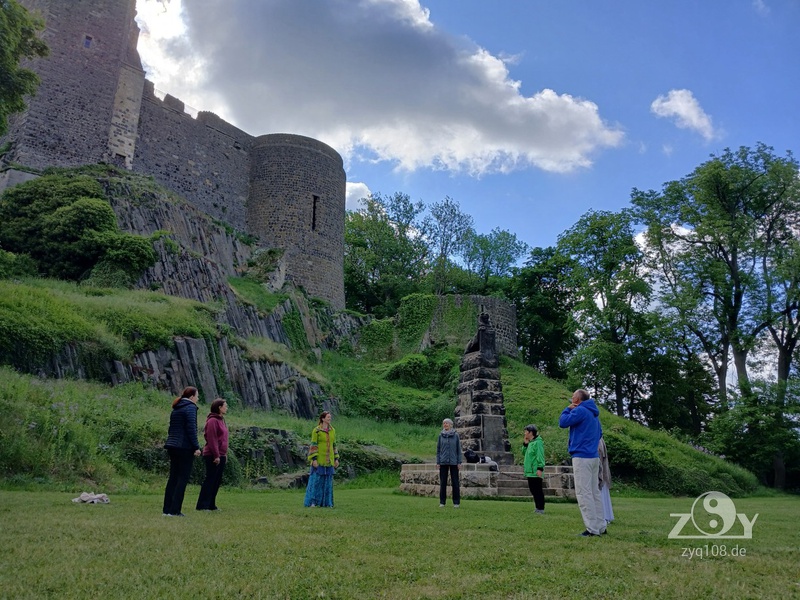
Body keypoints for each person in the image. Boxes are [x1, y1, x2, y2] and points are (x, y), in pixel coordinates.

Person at [558, 388, 605, 536]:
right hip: (593, 456)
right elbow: (600, 434)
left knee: (583, 493)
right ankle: (601, 525)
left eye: (573, 397)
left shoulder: (580, 411)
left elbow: (563, 422)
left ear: (578, 400)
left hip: (581, 456)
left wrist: (567, 409)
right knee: (594, 492)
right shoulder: (594, 414)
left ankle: (592, 529)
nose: (572, 399)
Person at [163, 386, 201, 516]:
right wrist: (196, 446)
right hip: (184, 447)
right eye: (197, 396)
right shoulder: (190, 408)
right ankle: (175, 510)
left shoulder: (177, 408)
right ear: (191, 397)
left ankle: (167, 509)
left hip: (172, 445)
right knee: (182, 479)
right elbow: (191, 428)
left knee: (173, 477)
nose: (198, 398)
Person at [196, 398, 229, 511]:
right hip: (212, 454)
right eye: (225, 405)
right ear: (219, 407)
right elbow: (212, 439)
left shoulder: (221, 420)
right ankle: (202, 505)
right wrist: (216, 455)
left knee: (216, 480)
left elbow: (223, 439)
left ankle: (211, 504)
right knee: (210, 479)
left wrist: (224, 454)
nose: (227, 407)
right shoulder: (212, 421)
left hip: (221, 454)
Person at [304, 411, 340, 507]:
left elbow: (334, 445)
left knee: (328, 482)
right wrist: (314, 458)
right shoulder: (316, 431)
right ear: (323, 419)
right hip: (319, 459)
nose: (329, 419)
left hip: (329, 460)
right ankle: (313, 502)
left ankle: (327, 503)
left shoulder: (333, 430)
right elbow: (313, 445)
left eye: (330, 417)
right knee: (316, 481)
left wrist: (336, 458)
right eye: (328, 417)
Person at [436, 418, 462, 508]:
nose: (445, 425)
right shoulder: (440, 436)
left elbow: (459, 450)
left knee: (455, 482)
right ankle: (442, 502)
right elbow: (438, 450)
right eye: (444, 423)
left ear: (451, 425)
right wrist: (438, 462)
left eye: (447, 423)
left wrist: (459, 462)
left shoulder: (456, 436)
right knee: (443, 482)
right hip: (443, 462)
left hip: (454, 462)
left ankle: (456, 502)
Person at [523, 424, 545, 514]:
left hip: (535, 470)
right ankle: (537, 507)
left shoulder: (538, 443)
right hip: (529, 471)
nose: (524, 433)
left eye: (526, 432)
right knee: (533, 490)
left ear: (531, 432)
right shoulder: (530, 443)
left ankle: (540, 508)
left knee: (538, 490)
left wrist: (540, 468)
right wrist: (525, 444)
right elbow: (524, 453)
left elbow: (540, 456)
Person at [598, 436, 615, 525]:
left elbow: (600, 455)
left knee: (601, 494)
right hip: (602, 471)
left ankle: (604, 516)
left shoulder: (599, 441)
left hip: (601, 472)